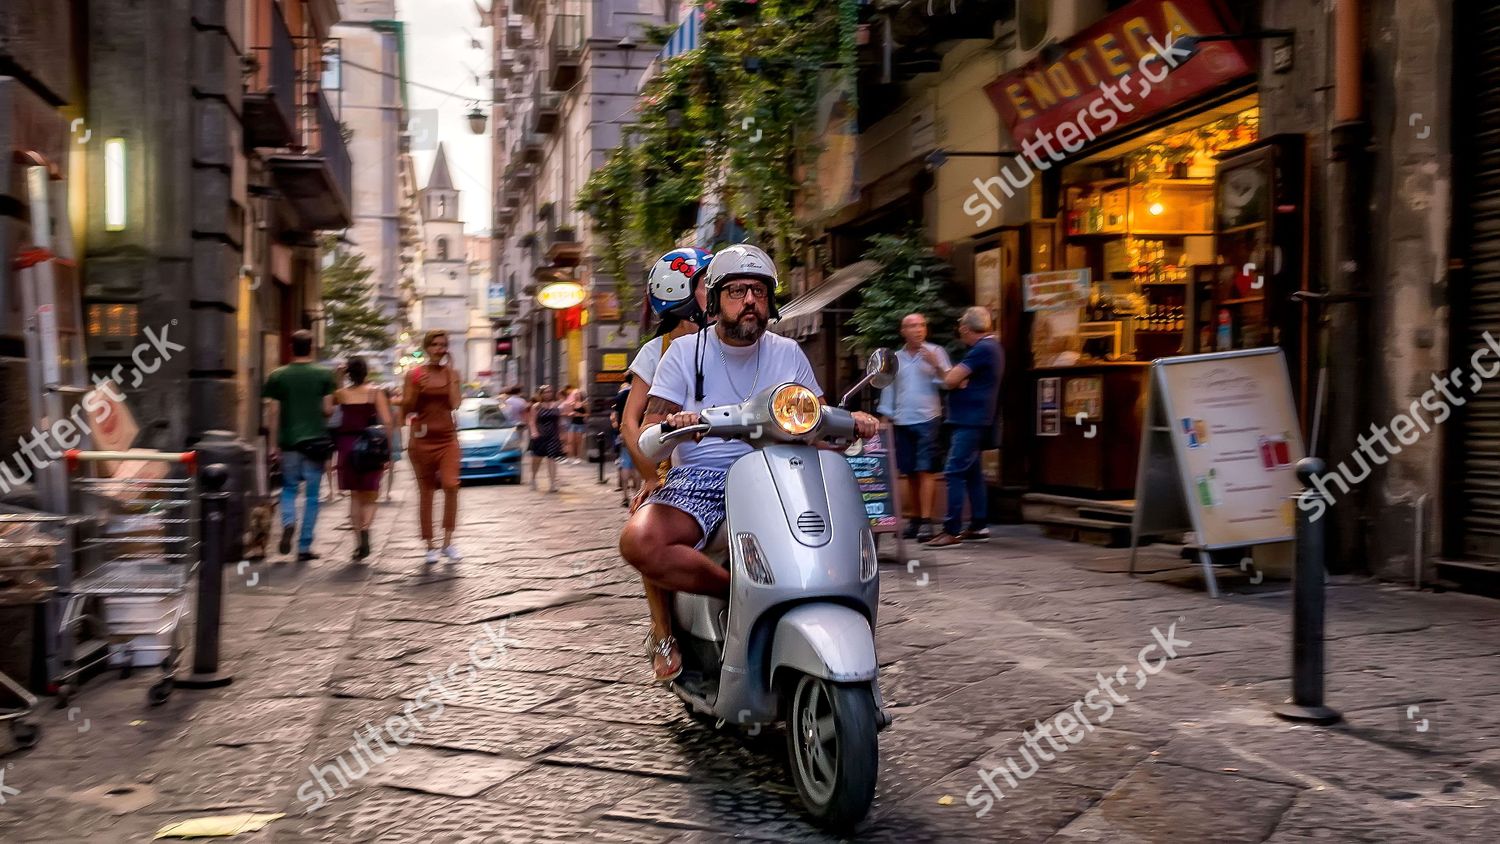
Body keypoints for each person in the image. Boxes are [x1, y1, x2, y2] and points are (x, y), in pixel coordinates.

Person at [618, 244, 878, 681]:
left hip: (783, 474)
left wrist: (852, 420)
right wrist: (674, 426)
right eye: (737, 291)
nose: (750, 301)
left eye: (758, 291)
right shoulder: (683, 353)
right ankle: (743, 595)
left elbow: (814, 413)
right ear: (716, 299)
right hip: (702, 480)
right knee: (640, 541)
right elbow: (648, 436)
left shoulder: (788, 353)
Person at [617, 246, 714, 681]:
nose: (714, 290)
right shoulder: (656, 351)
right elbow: (629, 424)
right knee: (647, 524)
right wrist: (650, 475)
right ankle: (662, 631)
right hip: (672, 467)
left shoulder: (728, 339)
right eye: (706, 283)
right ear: (683, 293)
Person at [924, 306, 1004, 548]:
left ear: (967, 328)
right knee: (972, 473)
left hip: (971, 420)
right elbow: (959, 381)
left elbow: (950, 380)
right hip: (977, 419)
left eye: (960, 326)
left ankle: (951, 529)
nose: (959, 330)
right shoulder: (991, 348)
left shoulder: (982, 349)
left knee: (954, 471)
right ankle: (979, 525)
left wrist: (938, 364)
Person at [877, 313, 952, 543]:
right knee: (908, 472)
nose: (918, 330)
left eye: (921, 325)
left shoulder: (936, 352)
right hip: (902, 419)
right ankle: (916, 519)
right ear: (903, 331)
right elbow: (889, 389)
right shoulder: (896, 358)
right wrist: (884, 418)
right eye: (912, 326)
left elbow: (948, 381)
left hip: (928, 418)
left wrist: (936, 364)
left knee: (926, 470)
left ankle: (928, 521)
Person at [263, 329, 336, 561]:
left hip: (289, 443)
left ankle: (288, 522)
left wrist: (273, 444)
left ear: (291, 348)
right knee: (312, 496)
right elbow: (327, 410)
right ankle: (304, 547)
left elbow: (273, 411)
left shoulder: (278, 376)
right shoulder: (324, 375)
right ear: (312, 347)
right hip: (315, 443)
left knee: (289, 489)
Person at [402, 330, 463, 564]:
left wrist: (454, 376)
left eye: (443, 345)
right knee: (426, 492)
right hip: (422, 440)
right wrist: (418, 388)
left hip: (447, 438)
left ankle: (448, 542)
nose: (439, 348)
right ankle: (430, 545)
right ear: (427, 348)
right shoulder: (414, 374)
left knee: (451, 485)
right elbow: (407, 407)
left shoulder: (451, 373)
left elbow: (456, 403)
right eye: (435, 344)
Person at [332, 356, 396, 561]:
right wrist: (386, 450)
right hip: (370, 447)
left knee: (355, 497)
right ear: (366, 372)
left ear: (349, 373)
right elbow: (387, 421)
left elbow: (328, 404)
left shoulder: (342, 393)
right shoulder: (375, 392)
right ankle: (367, 528)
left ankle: (359, 543)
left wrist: (338, 378)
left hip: (347, 447)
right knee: (370, 495)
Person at [527, 384, 565, 492]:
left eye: (550, 391)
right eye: (546, 392)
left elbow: (559, 422)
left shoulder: (556, 405)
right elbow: (532, 421)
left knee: (551, 458)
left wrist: (562, 435)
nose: (548, 394)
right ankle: (533, 478)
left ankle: (553, 483)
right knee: (537, 459)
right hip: (540, 435)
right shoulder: (537, 406)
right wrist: (534, 432)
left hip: (553, 435)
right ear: (541, 394)